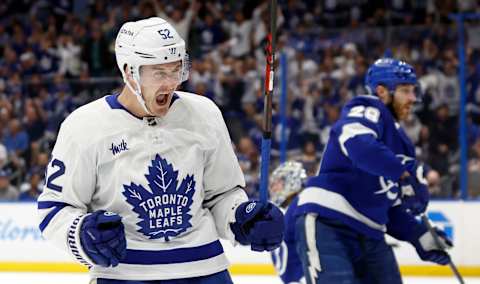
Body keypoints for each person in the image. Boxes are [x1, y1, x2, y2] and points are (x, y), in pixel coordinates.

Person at [37, 17, 284, 284]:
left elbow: (222, 193)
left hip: (206, 271)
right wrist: (82, 233)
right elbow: (55, 209)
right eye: (159, 73)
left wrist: (242, 217)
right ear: (130, 72)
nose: (171, 82)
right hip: (124, 276)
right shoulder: (85, 126)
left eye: (176, 70)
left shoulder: (205, 113)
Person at [295, 58, 452, 284]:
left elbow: (389, 207)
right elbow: (357, 143)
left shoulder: (403, 145)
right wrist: (404, 175)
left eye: (414, 92)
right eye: (406, 91)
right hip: (329, 223)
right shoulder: (368, 107)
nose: (413, 99)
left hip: (370, 233)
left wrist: (420, 236)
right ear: (381, 91)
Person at [269, 161, 306, 284]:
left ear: (291, 181)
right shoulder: (288, 210)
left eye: (278, 182)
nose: (273, 188)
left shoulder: (300, 208)